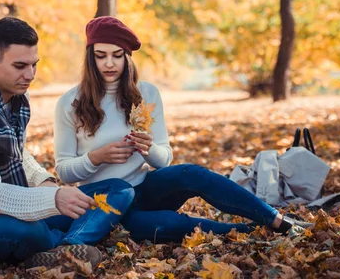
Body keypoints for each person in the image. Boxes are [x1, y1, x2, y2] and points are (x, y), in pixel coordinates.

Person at [54, 16, 309, 243]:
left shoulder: (146, 94)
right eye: (101, 55)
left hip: (145, 188)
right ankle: (245, 231)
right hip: (104, 202)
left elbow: (164, 159)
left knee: (191, 173)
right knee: (174, 224)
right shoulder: (70, 102)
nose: (109, 63)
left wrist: (147, 148)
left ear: (127, 57)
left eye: (117, 55)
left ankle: (277, 221)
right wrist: (97, 157)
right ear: (90, 57)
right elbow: (64, 172)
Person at [0, 17, 134, 267]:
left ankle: (65, 247)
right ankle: (63, 244)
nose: (30, 75)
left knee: (116, 189)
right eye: (20, 66)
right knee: (30, 231)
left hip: (18, 201)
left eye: (33, 65)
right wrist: (54, 200)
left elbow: (16, 154)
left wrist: (45, 183)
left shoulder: (13, 94)